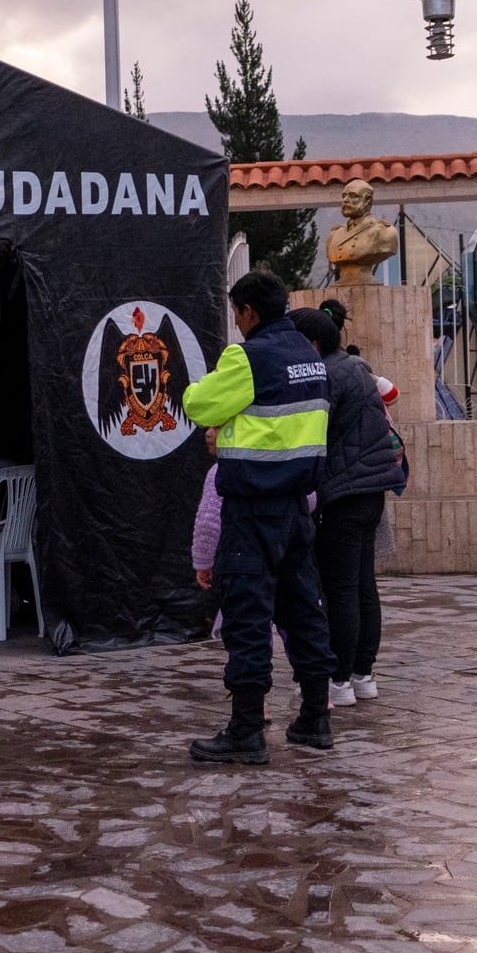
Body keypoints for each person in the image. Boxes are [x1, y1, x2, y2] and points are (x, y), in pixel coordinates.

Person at [181, 271, 337, 766]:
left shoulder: (247, 356)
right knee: (303, 613)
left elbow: (198, 402)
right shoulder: (309, 359)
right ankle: (315, 718)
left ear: (248, 312)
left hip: (252, 510)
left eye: (235, 314)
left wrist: (222, 424)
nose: (236, 323)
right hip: (297, 510)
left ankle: (246, 730)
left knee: (247, 618)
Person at [288, 306, 406, 708]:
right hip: (371, 493)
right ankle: (362, 675)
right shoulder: (358, 368)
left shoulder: (326, 377)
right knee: (362, 586)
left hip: (341, 494)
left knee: (338, 590)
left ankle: (337, 679)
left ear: (312, 344)